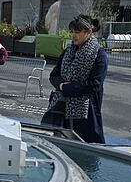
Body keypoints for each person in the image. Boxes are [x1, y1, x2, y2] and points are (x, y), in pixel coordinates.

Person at [42, 14, 108, 143]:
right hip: (61, 108)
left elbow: (94, 84)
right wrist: (61, 85)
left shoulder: (99, 54)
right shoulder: (68, 51)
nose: (73, 35)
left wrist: (66, 88)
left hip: (86, 112)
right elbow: (54, 75)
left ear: (88, 32)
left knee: (86, 149)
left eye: (77, 32)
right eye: (71, 31)